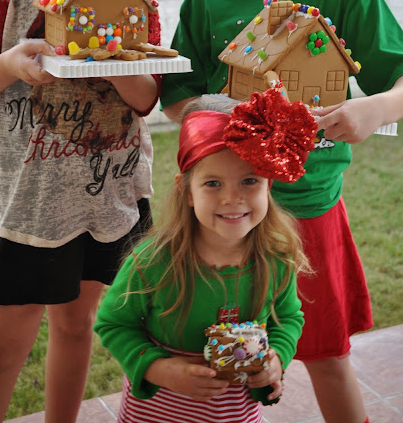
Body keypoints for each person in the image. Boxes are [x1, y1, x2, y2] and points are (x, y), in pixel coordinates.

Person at [160, 0, 403, 423]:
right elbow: (175, 93)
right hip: (226, 215)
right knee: (219, 357)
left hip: (307, 210)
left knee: (325, 356)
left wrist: (373, 109)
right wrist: (208, 115)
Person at [0, 0, 162, 423]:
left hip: (108, 190)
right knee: (1, 348)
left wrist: (116, 67)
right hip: (28, 201)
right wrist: (11, 64)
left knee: (77, 325)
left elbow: (145, 97)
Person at [94, 89, 317, 423]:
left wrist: (276, 359)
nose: (232, 198)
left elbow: (287, 320)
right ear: (187, 191)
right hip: (160, 412)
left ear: (268, 187)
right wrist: (158, 368)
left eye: (249, 181)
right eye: (213, 183)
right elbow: (113, 323)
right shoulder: (152, 262)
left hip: (236, 412)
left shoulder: (276, 259)